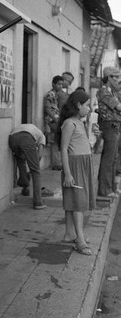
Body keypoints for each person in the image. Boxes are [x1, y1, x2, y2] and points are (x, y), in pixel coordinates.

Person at [56, 90, 95, 255]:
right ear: (78, 105)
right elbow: (63, 149)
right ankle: (80, 239)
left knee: (75, 200)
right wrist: (68, 173)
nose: (90, 109)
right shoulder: (69, 123)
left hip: (83, 164)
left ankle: (69, 234)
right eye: (87, 105)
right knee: (78, 202)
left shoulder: (80, 122)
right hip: (74, 165)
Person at [9, 123, 47, 209]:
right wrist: (34, 165)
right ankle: (38, 202)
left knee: (21, 162)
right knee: (36, 171)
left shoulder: (29, 127)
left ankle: (25, 185)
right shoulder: (42, 136)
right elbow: (39, 155)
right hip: (26, 138)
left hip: (12, 138)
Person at [96, 66, 121, 198]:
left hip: (115, 125)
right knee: (109, 158)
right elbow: (118, 106)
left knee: (113, 157)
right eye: (115, 77)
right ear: (109, 78)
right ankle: (105, 190)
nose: (118, 79)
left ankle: (110, 187)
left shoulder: (112, 91)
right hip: (109, 125)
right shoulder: (104, 91)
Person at [43, 75, 64, 170]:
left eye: (62, 84)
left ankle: (57, 162)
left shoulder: (55, 94)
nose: (61, 86)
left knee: (56, 140)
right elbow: (47, 109)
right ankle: (56, 163)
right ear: (53, 84)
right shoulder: (50, 94)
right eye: (59, 84)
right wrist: (56, 120)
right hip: (52, 120)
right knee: (56, 140)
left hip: (55, 119)